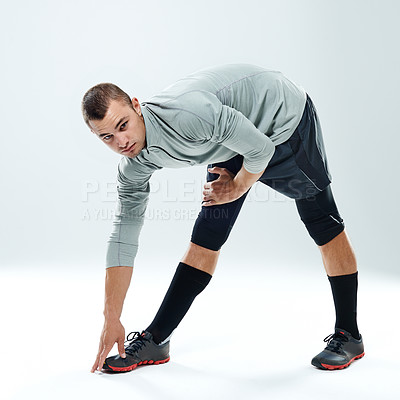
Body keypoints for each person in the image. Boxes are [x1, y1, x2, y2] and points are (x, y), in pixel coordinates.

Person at [81, 63, 364, 373]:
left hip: (282, 121)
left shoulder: (189, 116)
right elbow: (123, 238)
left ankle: (349, 335)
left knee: (322, 222)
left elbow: (260, 148)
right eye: (107, 137)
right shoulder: (133, 165)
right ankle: (156, 339)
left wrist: (238, 185)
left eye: (123, 125)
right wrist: (112, 318)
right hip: (229, 135)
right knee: (207, 234)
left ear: (137, 106)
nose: (121, 142)